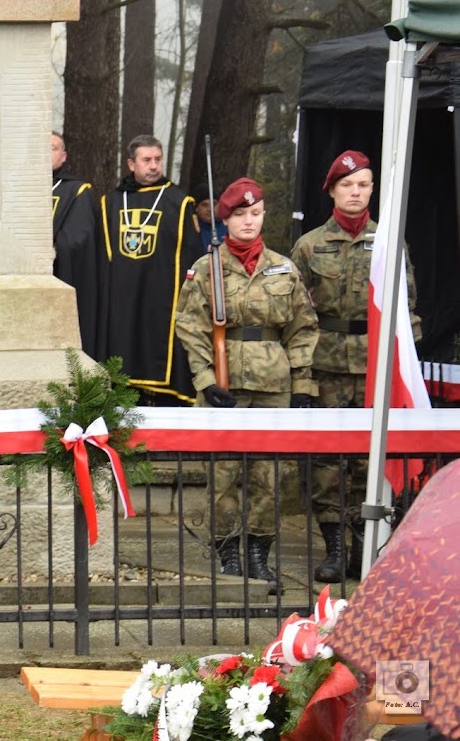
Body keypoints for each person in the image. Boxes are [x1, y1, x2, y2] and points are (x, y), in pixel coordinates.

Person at [175, 178, 317, 591]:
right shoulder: (207, 268)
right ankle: (228, 552)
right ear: (226, 219)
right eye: (240, 215)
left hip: (274, 383)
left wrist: (303, 383)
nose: (249, 221)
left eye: (255, 214)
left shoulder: (283, 267)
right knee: (223, 474)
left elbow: (302, 328)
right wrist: (204, 379)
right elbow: (190, 327)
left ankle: (259, 551)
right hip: (226, 384)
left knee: (271, 475)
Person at [291, 150, 420, 584]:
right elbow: (295, 313)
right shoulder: (308, 245)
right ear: (332, 190)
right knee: (327, 461)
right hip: (325, 363)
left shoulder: (389, 242)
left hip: (375, 365)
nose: (355, 192)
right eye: (347, 185)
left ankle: (365, 547)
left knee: (370, 460)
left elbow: (407, 306)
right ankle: (334, 547)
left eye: (363, 185)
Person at [98, 135, 203, 405]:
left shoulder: (179, 202)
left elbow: (193, 257)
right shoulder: (109, 202)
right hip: (122, 298)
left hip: (161, 296)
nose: (154, 166)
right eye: (147, 160)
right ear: (131, 164)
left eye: (158, 159)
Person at [50, 131, 100, 357]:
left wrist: (50, 250)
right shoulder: (21, 189)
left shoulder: (76, 190)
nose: (45, 154)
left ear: (63, 156)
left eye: (52, 149)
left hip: (60, 273)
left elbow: (79, 238)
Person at [192, 184, 227, 251]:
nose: (210, 209)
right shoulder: (192, 228)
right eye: (205, 205)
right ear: (196, 208)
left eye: (214, 204)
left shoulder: (228, 227)